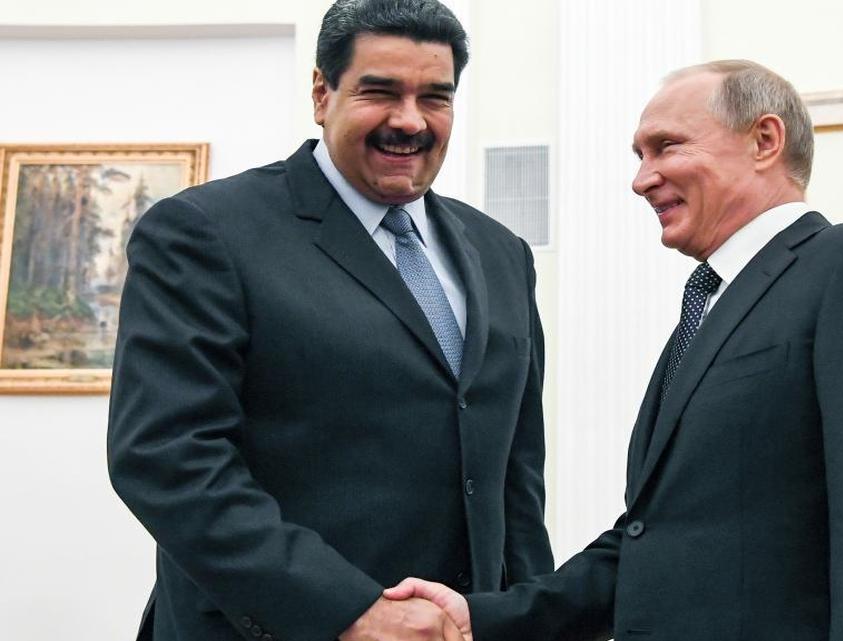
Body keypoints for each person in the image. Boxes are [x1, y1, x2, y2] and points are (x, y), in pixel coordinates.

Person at [386, 59, 843, 641]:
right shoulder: (707, 311)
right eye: (640, 156)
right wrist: (481, 618)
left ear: (764, 140)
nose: (641, 178)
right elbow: (651, 541)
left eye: (666, 146)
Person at [106, 1, 553, 640]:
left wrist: (529, 618)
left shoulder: (501, 252)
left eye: (436, 97)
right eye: (380, 92)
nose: (410, 120)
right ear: (322, 93)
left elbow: (515, 474)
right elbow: (168, 459)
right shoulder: (205, 232)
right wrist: (349, 610)